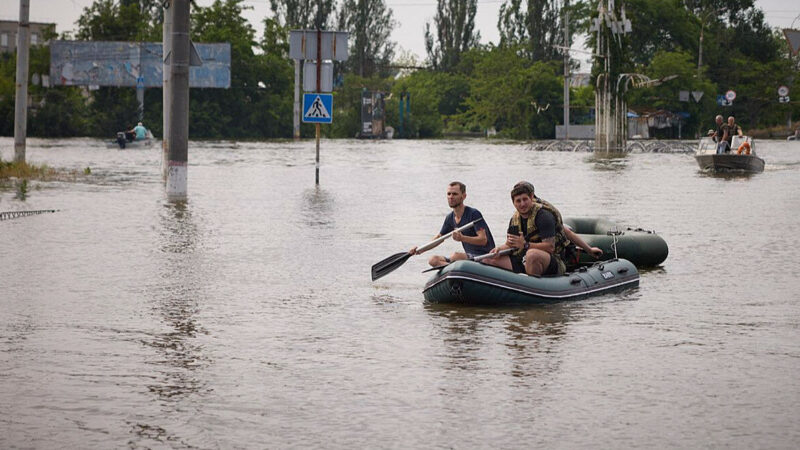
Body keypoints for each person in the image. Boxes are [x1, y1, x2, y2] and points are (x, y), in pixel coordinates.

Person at [485, 181, 602, 277]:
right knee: (488, 259)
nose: (522, 204)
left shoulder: (543, 216)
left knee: (532, 255)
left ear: (531, 197)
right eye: (518, 201)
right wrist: (498, 249)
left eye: (525, 199)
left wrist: (589, 250)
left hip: (552, 261)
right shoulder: (514, 219)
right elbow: (510, 244)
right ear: (513, 203)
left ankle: (533, 288)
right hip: (524, 260)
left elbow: (550, 247)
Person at [410, 181, 495, 267]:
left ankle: (455, 269)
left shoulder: (474, 214)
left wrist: (463, 238)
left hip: (484, 256)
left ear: (464, 196)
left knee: (456, 256)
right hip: (469, 256)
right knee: (433, 260)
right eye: (449, 194)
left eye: (454, 194)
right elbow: (439, 238)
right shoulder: (450, 218)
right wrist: (420, 250)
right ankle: (455, 271)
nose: (451, 197)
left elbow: (483, 240)